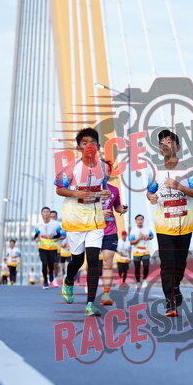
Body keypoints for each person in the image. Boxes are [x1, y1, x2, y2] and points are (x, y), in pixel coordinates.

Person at [146, 129, 193, 317]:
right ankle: (170, 302)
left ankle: (176, 286)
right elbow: (150, 191)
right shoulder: (154, 171)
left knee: (179, 264)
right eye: (162, 143)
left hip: (185, 223)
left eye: (169, 142)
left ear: (177, 146)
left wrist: (178, 186)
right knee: (167, 263)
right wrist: (151, 197)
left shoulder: (189, 169)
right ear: (159, 149)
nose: (165, 146)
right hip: (164, 225)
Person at [55, 127, 110, 316]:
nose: (89, 146)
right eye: (84, 143)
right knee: (77, 260)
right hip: (75, 219)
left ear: (98, 147)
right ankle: (69, 279)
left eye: (92, 142)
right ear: (79, 148)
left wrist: (105, 193)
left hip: (95, 220)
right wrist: (77, 193)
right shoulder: (70, 168)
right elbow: (59, 189)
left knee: (93, 259)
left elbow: (104, 187)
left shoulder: (104, 167)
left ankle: (90, 303)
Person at [99, 181, 128, 306]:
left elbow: (117, 206)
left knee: (107, 261)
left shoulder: (114, 189)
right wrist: (99, 214)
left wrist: (121, 209)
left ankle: (106, 294)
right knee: (92, 262)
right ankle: (90, 291)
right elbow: (81, 209)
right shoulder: (88, 188)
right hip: (92, 230)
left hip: (110, 230)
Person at [34, 206, 63, 289]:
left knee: (51, 264)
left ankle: (51, 273)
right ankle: (45, 281)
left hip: (52, 247)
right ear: (41, 214)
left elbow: (59, 235)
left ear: (50, 214)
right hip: (42, 247)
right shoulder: (38, 225)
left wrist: (52, 237)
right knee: (44, 263)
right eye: (44, 212)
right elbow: (36, 236)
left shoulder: (56, 224)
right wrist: (36, 239)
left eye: (47, 212)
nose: (46, 213)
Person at [129, 214, 153, 287]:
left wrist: (148, 237)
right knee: (137, 268)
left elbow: (152, 236)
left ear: (143, 220)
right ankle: (138, 282)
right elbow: (131, 242)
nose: (140, 221)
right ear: (136, 221)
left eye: (141, 219)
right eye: (138, 219)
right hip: (136, 252)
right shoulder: (133, 231)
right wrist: (139, 238)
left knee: (146, 267)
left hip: (146, 251)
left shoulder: (147, 229)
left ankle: (144, 279)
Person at [50, 210, 61, 280]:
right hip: (47, 248)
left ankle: (55, 279)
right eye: (51, 217)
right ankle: (49, 277)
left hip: (57, 248)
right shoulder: (45, 225)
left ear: (56, 217)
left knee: (56, 264)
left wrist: (57, 238)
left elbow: (63, 235)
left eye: (54, 217)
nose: (52, 218)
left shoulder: (59, 226)